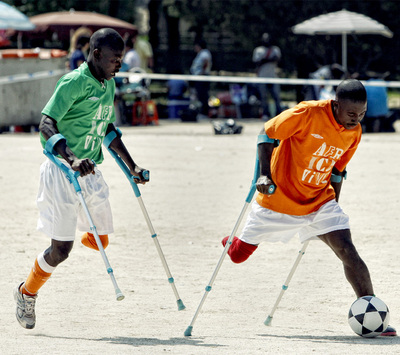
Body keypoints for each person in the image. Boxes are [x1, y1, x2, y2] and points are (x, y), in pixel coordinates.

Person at [222, 79, 396, 336]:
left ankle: (372, 313)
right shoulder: (308, 113)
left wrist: (334, 206)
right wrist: (264, 175)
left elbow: (338, 170)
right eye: (351, 113)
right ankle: (230, 241)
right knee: (238, 255)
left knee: (346, 248)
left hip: (318, 201)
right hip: (278, 199)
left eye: (362, 114)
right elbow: (266, 134)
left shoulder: (354, 132)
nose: (356, 119)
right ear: (336, 105)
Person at [14, 28, 149, 330]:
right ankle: (26, 292)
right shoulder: (73, 82)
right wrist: (72, 158)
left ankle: (80, 227)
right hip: (62, 172)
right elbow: (46, 124)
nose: (120, 65)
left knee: (101, 239)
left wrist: (132, 167)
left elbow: (107, 129)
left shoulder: (108, 85)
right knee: (61, 250)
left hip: (90, 173)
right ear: (97, 54)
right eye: (116, 59)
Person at [252, 33, 282, 120]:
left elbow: (278, 60)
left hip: (273, 77)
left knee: (276, 96)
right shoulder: (258, 50)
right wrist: (268, 59)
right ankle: (265, 113)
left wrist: (265, 59)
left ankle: (279, 113)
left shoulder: (275, 49)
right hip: (262, 77)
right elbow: (257, 62)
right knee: (263, 96)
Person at [190, 39, 212, 117]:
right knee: (199, 95)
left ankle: (205, 112)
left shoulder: (204, 53)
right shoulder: (200, 54)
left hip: (202, 77)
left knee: (203, 95)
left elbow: (206, 61)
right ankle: (201, 111)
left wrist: (202, 72)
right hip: (198, 78)